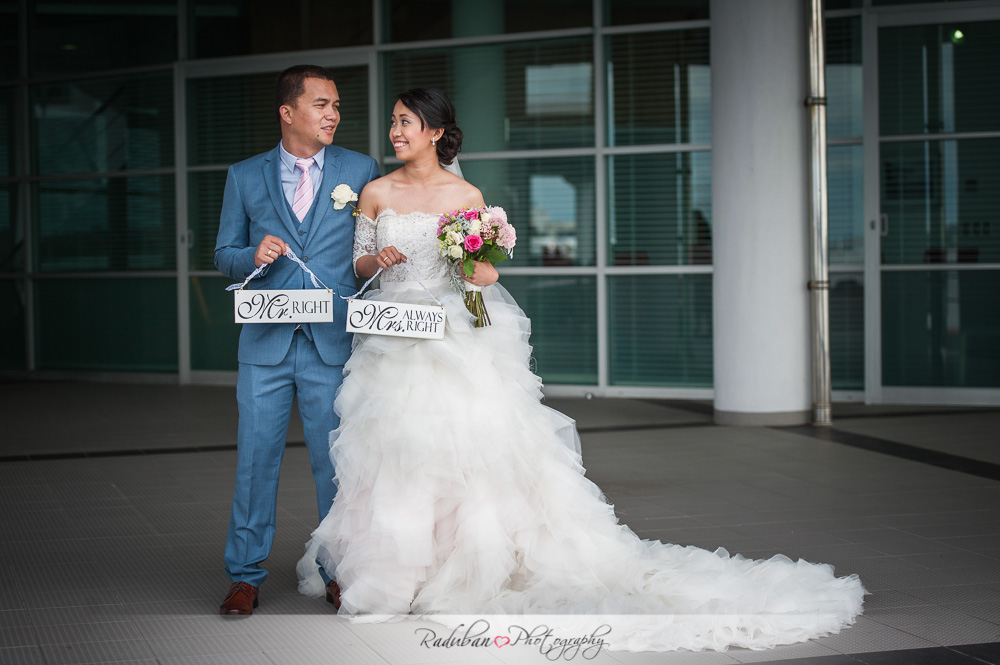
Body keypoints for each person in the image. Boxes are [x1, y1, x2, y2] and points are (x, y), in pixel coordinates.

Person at [296, 88, 866, 652]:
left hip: (451, 337)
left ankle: (460, 568)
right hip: (391, 337)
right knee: (396, 452)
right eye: (394, 122)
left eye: (406, 122)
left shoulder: (465, 194)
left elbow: (482, 276)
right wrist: (378, 259)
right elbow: (359, 263)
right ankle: (395, 573)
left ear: (436, 132)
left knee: (463, 451)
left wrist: (477, 264)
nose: (395, 132)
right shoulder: (376, 191)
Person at [214, 64, 379, 615]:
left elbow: (369, 249)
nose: (334, 114)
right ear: (288, 112)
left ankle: (337, 571)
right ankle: (244, 575)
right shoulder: (244, 175)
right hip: (265, 343)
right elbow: (223, 254)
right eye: (322, 104)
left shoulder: (360, 169)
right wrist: (251, 254)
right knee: (254, 462)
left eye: (337, 105)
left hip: (331, 342)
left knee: (335, 465)